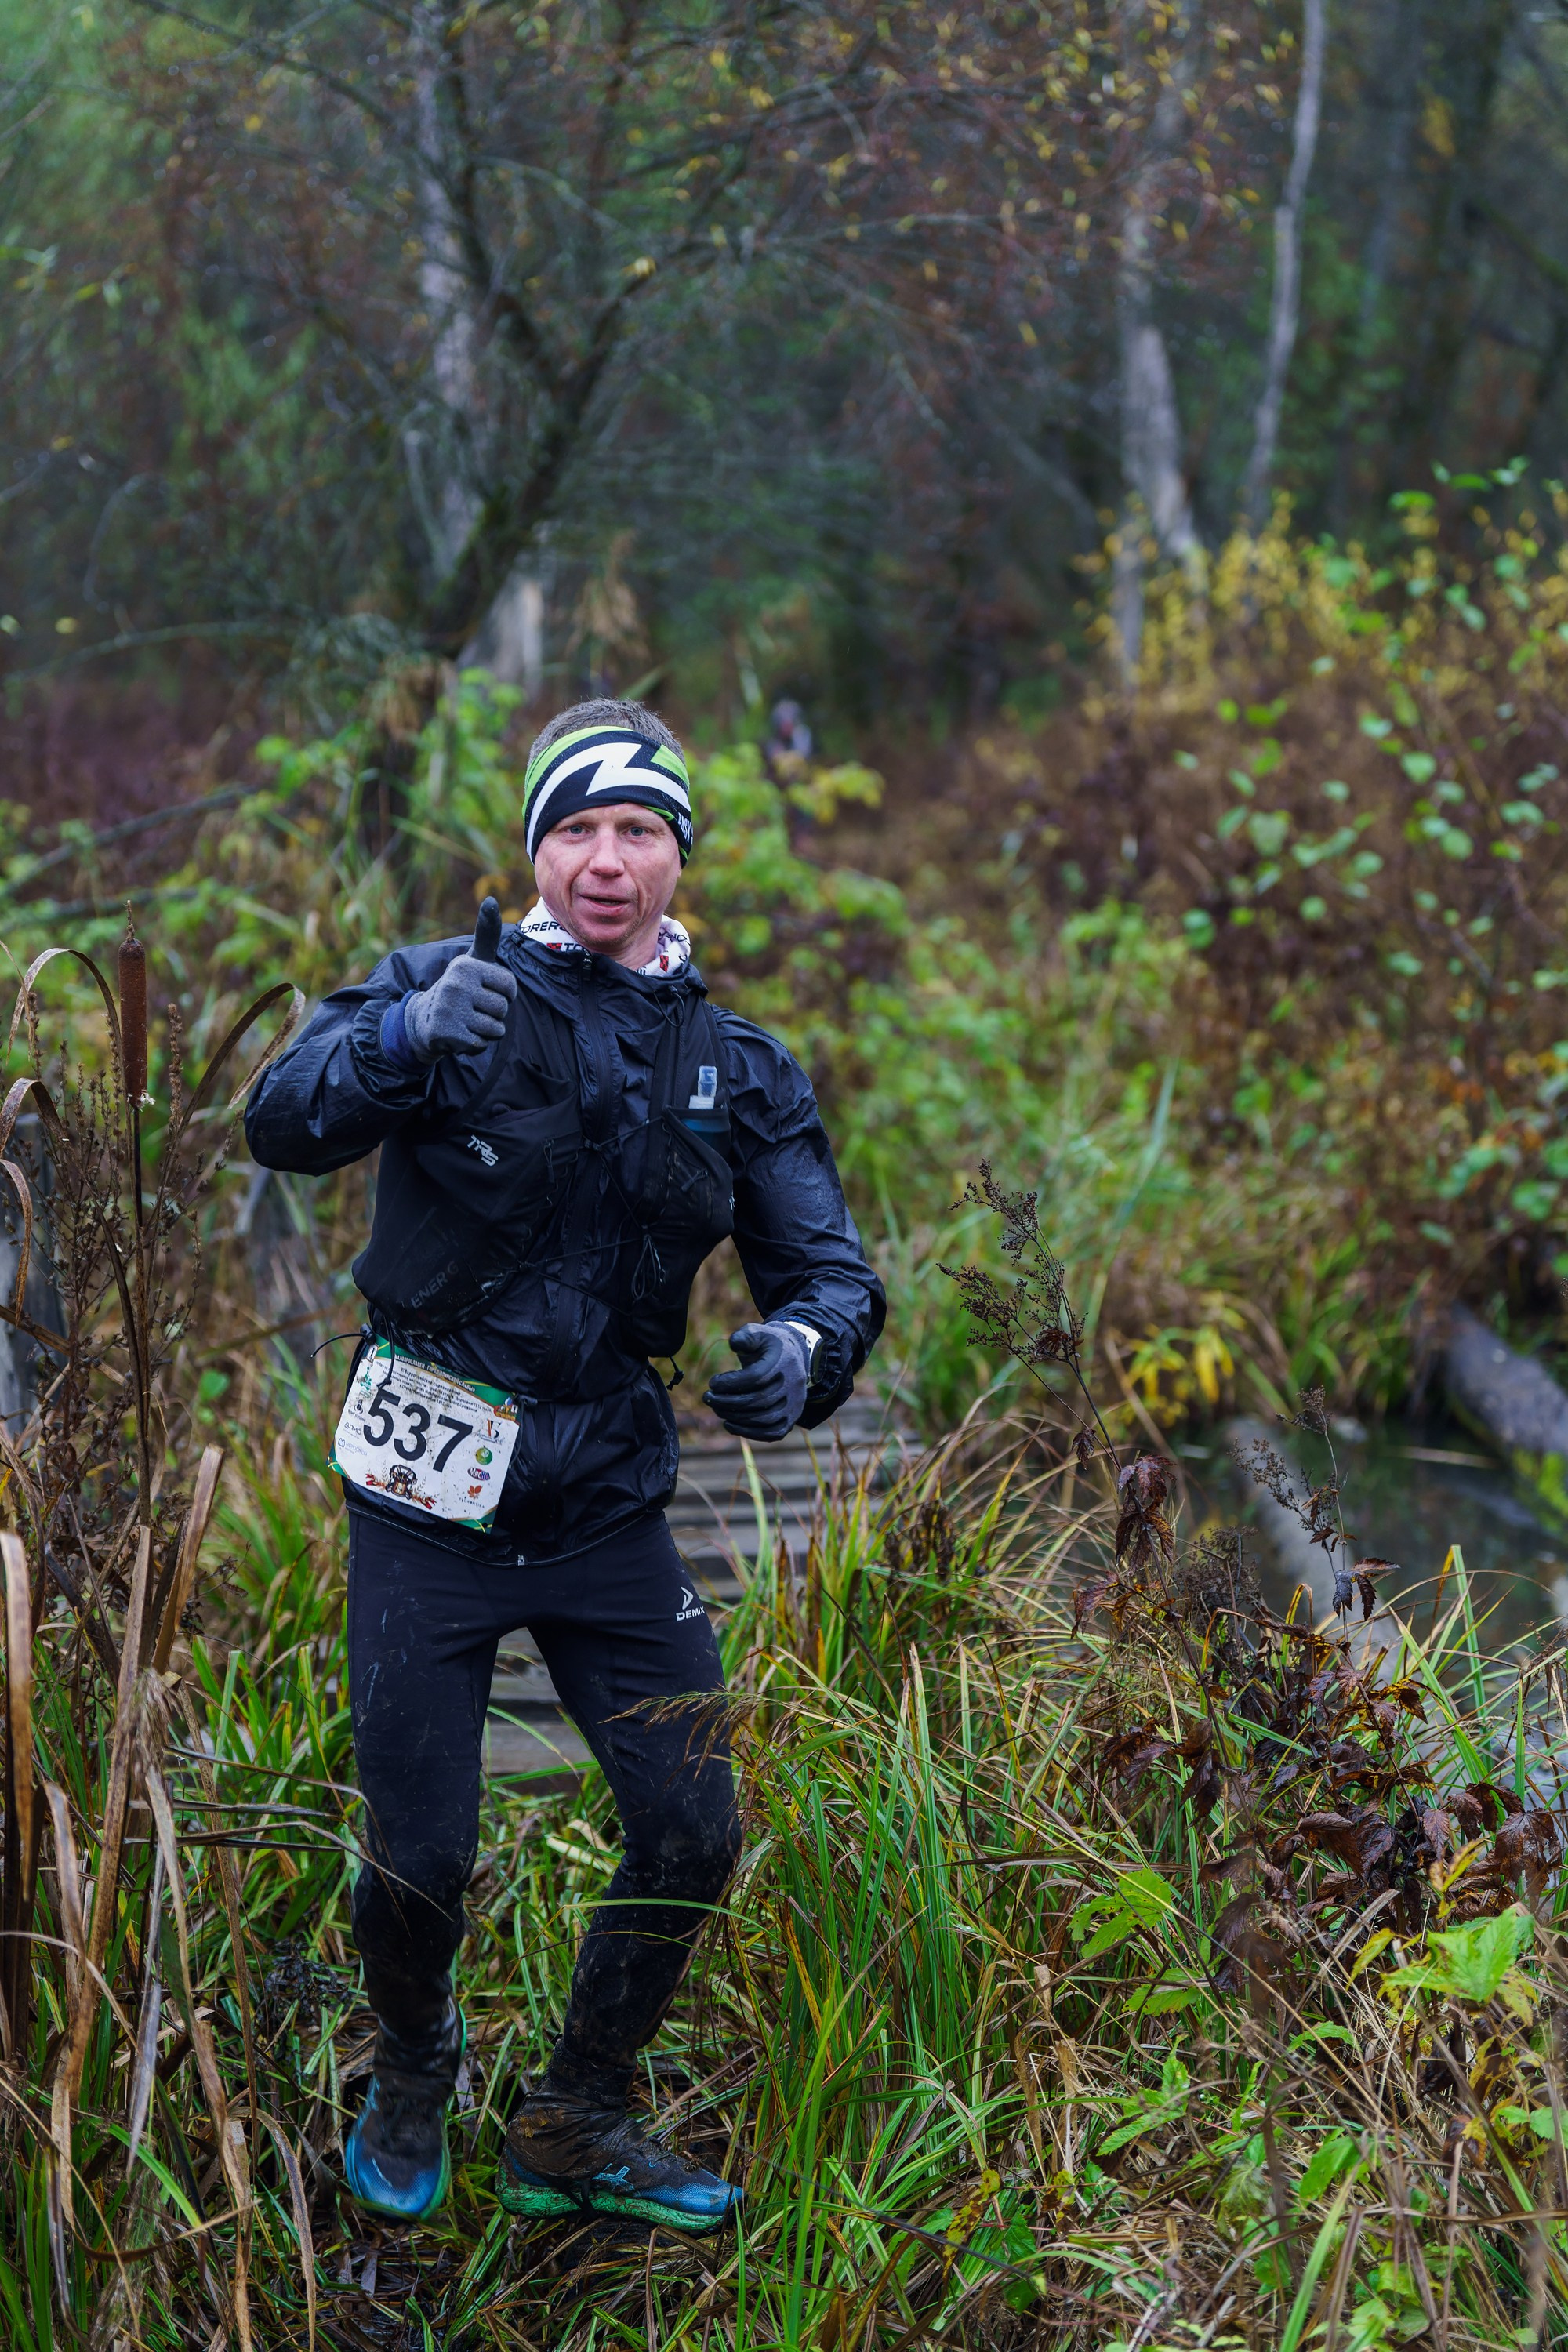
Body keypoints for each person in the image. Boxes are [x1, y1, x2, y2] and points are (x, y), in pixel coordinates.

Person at [244, 698, 884, 2234]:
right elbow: (280, 1118)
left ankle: (576, 2115)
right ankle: (414, 2060)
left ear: (679, 858)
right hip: (427, 1490)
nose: (608, 862)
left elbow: (833, 1272)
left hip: (607, 1496)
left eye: (639, 831)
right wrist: (401, 1043)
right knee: (421, 1853)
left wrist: (806, 1354)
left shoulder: (738, 1063)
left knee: (691, 1829)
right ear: (535, 847)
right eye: (577, 829)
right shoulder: (440, 987)